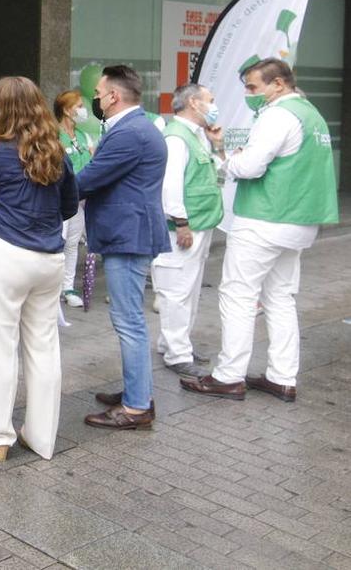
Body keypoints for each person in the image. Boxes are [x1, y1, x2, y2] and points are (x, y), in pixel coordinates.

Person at [182, 59, 338, 402]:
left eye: (253, 87)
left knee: (238, 295)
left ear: (278, 84)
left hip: (265, 218)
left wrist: (228, 157)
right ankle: (282, 377)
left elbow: (250, 166)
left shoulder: (277, 116)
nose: (248, 94)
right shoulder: (310, 114)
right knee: (280, 298)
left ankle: (228, 375)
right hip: (299, 220)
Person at [0, 77, 79, 461]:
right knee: (43, 348)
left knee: (0, 348)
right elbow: (70, 206)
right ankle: (42, 437)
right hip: (49, 260)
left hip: (6, 256)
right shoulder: (57, 151)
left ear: (6, 108)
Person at [76, 65, 171, 430]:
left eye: (99, 93)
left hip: (128, 237)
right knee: (130, 320)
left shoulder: (130, 133)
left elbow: (89, 178)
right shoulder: (135, 128)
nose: (95, 99)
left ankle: (135, 407)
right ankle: (137, 390)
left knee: (129, 322)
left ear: (114, 96)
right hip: (128, 234)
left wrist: (42, 191)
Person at [152, 83, 223, 378]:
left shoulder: (197, 136)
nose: (214, 105)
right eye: (210, 100)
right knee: (176, 290)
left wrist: (217, 144)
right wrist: (181, 223)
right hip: (182, 228)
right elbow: (170, 188)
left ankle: (175, 342)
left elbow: (217, 170)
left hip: (200, 224)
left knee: (189, 290)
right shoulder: (176, 138)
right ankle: (176, 354)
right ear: (194, 103)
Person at [54, 90, 93, 307]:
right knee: (58, 242)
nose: (82, 110)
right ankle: (53, 287)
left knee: (72, 244)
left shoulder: (83, 136)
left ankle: (67, 287)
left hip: (80, 201)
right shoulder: (54, 135)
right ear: (66, 110)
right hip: (60, 200)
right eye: (78, 106)